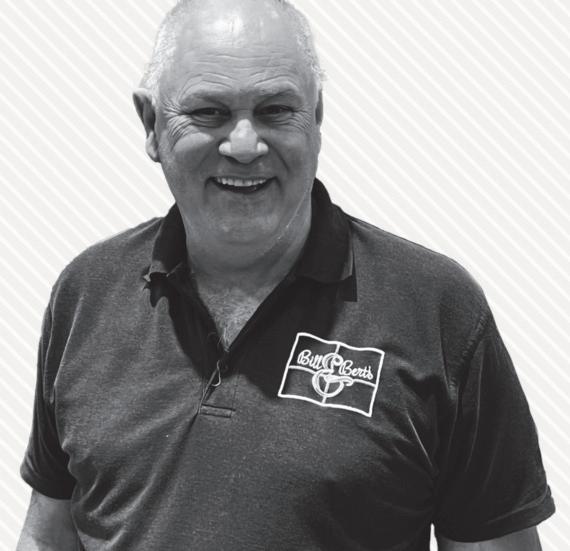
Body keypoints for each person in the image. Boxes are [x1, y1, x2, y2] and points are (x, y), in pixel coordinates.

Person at [17, 0, 554, 549]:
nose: (244, 145)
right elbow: (49, 534)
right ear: (151, 124)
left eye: (275, 110)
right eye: (209, 112)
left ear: (316, 118)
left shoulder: (435, 309)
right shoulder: (86, 293)